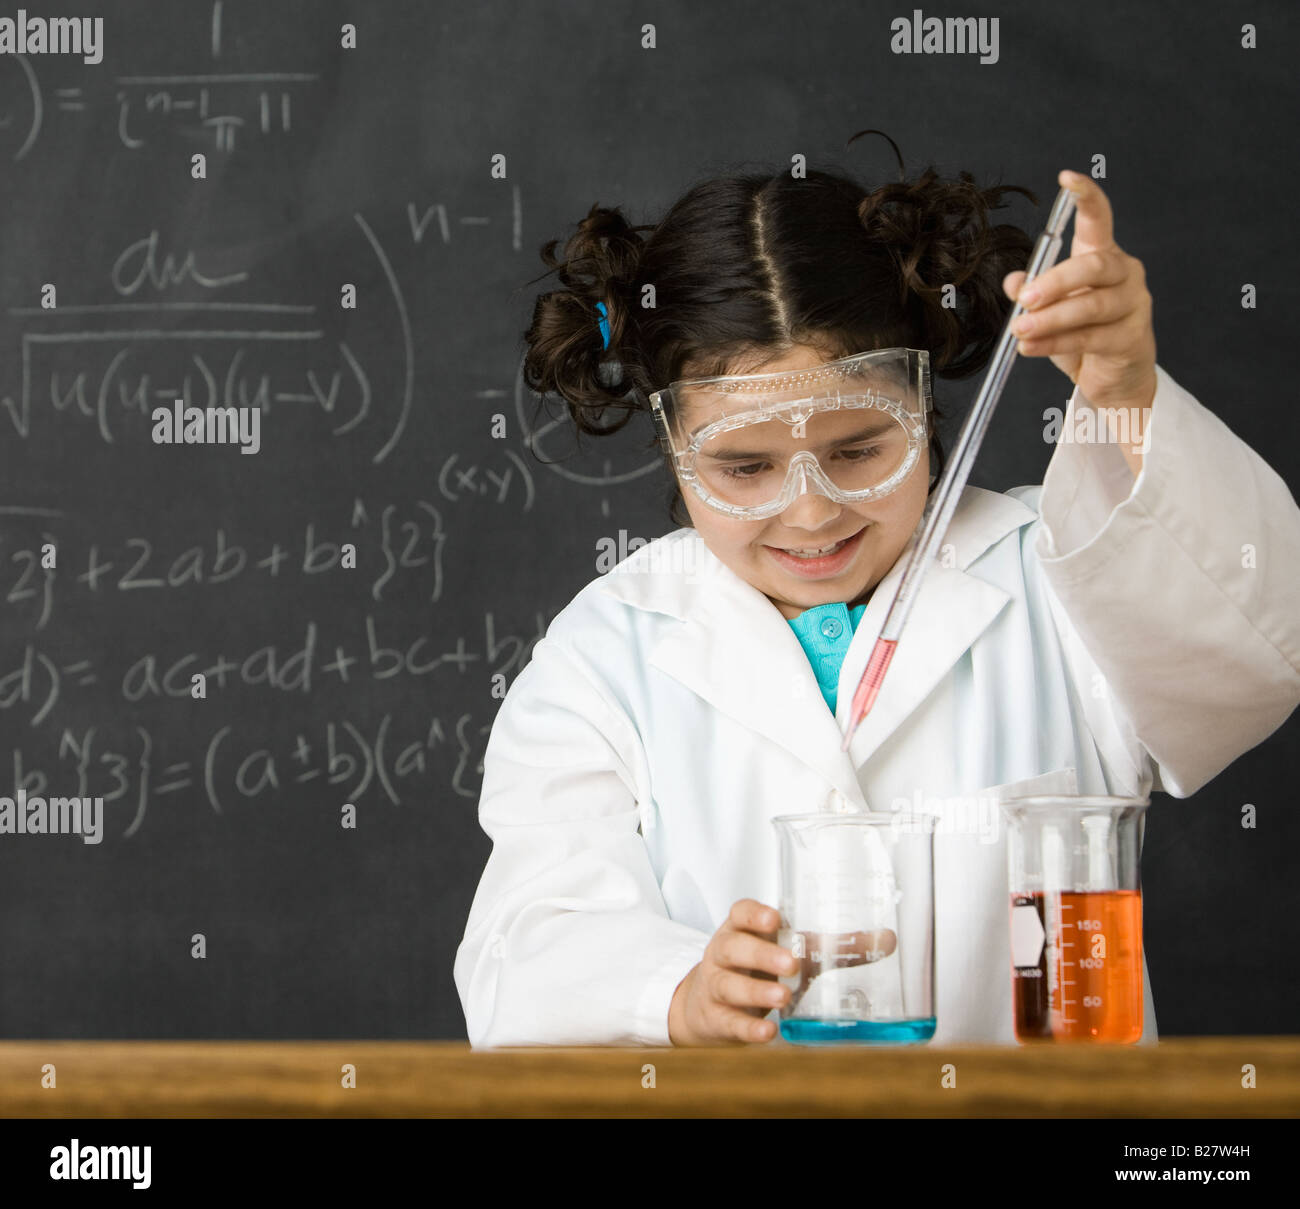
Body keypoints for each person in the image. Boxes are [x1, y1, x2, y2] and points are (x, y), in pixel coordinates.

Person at [453, 147, 1300, 1047]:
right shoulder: (607, 652)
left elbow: (1259, 654)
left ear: (923, 402)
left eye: (859, 449)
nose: (813, 510)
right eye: (746, 466)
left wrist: (1129, 397)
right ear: (675, 447)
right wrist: (674, 993)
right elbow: (525, 951)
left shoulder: (1056, 571)